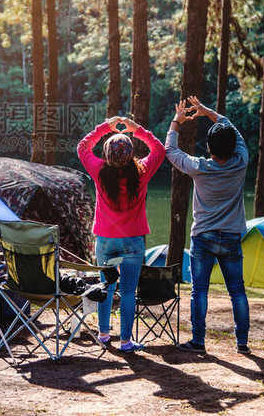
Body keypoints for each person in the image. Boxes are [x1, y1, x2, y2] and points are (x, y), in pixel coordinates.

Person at [166, 96, 251, 355]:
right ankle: (242, 343)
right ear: (233, 147)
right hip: (232, 235)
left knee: (199, 290)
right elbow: (232, 129)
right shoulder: (241, 161)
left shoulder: (199, 167)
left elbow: (170, 151)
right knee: (237, 290)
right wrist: (209, 113)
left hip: (203, 236)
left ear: (208, 146)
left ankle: (199, 341)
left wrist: (176, 122)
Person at [77, 116, 165, 352]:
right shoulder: (142, 171)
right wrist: (137, 129)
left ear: (106, 155)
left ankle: (104, 335)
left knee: (106, 287)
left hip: (105, 241)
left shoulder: (98, 171)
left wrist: (105, 127)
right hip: (133, 242)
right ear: (130, 153)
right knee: (127, 291)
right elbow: (159, 148)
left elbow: (82, 146)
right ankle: (125, 341)